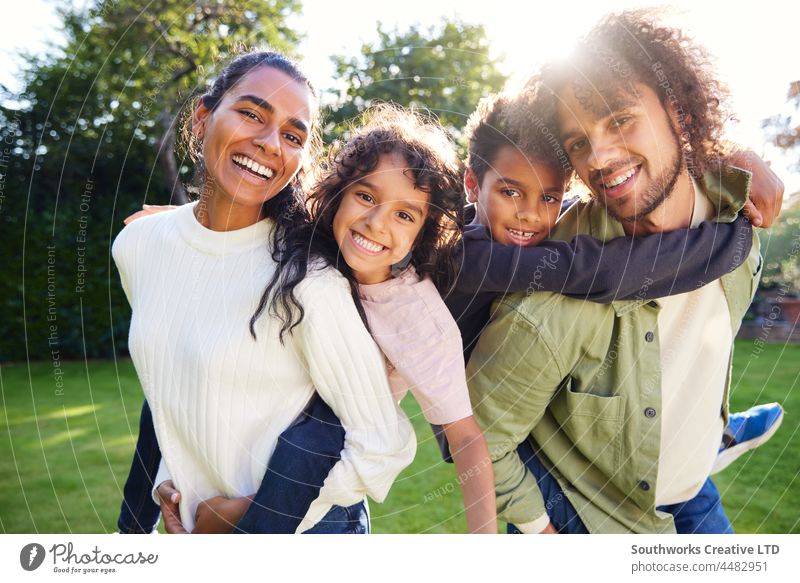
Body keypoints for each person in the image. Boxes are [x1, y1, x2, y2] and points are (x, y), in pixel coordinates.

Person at [466, 10, 784, 534]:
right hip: (594, 514)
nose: (600, 157)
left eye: (619, 119)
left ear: (679, 112)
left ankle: (717, 437)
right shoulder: (551, 295)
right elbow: (481, 436)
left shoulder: (740, 213)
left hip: (692, 490)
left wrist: (735, 154)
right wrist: (542, 530)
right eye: (578, 142)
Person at [112, 50, 416, 535]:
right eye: (252, 113)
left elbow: (382, 443)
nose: (271, 143)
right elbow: (175, 379)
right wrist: (172, 482)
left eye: (293, 135)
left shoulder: (308, 281)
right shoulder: (137, 246)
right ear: (203, 118)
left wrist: (254, 514)